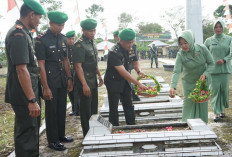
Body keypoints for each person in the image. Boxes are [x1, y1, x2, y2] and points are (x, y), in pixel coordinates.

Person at [5, 0, 45, 156]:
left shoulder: (25, 33)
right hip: (24, 95)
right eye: (39, 17)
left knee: (32, 129)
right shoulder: (18, 34)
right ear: (31, 14)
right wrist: (31, 100)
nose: (39, 21)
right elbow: (21, 69)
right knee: (26, 132)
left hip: (29, 91)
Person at [35, 11, 73, 151]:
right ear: (50, 23)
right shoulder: (41, 40)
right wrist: (45, 87)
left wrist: (69, 78)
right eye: (58, 25)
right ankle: (52, 140)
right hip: (50, 80)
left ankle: (61, 135)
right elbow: (41, 65)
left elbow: (65, 60)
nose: (61, 27)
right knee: (52, 111)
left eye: (63, 25)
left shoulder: (63, 38)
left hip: (62, 79)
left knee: (61, 108)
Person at [169, 30, 214, 123]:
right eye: (181, 44)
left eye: (186, 43)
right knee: (188, 104)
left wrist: (205, 74)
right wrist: (173, 86)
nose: (183, 46)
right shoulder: (180, 54)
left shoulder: (202, 49)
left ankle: (202, 125)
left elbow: (211, 63)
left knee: (202, 104)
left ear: (191, 40)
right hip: (188, 82)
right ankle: (186, 124)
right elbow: (177, 71)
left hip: (203, 81)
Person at [104, 28, 148, 126]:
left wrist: (139, 71)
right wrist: (138, 83)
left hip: (125, 81)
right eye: (128, 42)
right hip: (113, 81)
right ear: (120, 40)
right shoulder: (113, 52)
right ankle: (114, 127)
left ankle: (131, 125)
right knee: (114, 106)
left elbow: (135, 62)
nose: (130, 44)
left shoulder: (132, 48)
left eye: (132, 42)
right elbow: (123, 72)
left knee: (128, 103)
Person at [73, 18, 103, 137]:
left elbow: (94, 63)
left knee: (93, 108)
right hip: (84, 80)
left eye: (94, 30)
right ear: (83, 30)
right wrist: (84, 84)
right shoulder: (79, 45)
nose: (93, 33)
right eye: (90, 31)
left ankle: (94, 131)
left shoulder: (91, 42)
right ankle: (87, 134)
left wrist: (99, 76)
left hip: (93, 80)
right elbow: (78, 66)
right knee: (86, 111)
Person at [204, 19, 232, 122]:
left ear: (223, 27)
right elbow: (204, 54)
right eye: (216, 27)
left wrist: (225, 60)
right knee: (214, 91)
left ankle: (222, 110)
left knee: (224, 91)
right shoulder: (208, 40)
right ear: (213, 28)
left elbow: (231, 53)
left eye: (220, 27)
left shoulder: (229, 39)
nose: (218, 29)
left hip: (225, 70)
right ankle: (216, 112)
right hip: (213, 71)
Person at [66, 30, 80, 116]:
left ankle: (78, 109)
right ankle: (74, 108)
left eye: (73, 38)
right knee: (70, 92)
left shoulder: (77, 48)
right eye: (69, 39)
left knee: (77, 92)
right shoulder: (64, 48)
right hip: (68, 72)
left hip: (76, 71)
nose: (71, 40)